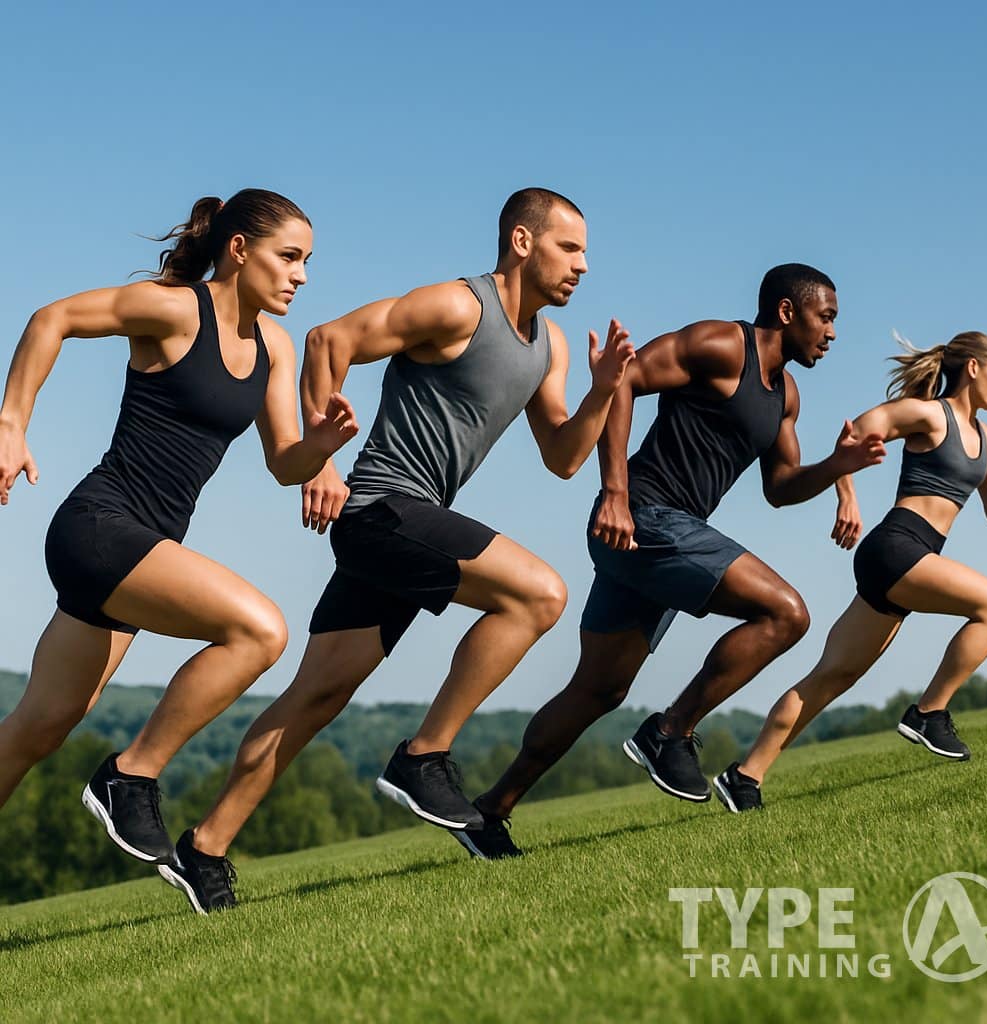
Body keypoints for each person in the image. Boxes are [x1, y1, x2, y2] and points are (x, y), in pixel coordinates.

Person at [158, 187, 635, 913]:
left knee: (314, 697)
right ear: (521, 242)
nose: (583, 265)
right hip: (382, 508)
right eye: (570, 248)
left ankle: (204, 849)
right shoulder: (458, 307)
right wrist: (318, 463)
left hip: (407, 523)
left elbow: (564, 458)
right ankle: (424, 757)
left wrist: (602, 394)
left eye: (585, 253)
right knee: (538, 593)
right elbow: (328, 341)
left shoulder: (550, 345)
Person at [458, 263, 886, 859]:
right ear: (788, 312)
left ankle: (488, 813)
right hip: (644, 517)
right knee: (786, 614)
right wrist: (615, 493)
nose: (833, 332)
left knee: (598, 690)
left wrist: (838, 467)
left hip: (658, 535)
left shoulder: (785, 395)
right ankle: (669, 732)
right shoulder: (719, 343)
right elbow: (626, 379)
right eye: (827, 317)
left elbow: (782, 485)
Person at [0, 189, 357, 866]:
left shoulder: (274, 348)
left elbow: (284, 461)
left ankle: (126, 776)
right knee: (259, 631)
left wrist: (322, 446)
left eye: (307, 261)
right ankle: (130, 777)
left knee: (37, 727)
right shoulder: (173, 309)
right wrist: (12, 422)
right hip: (101, 528)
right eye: (289, 257)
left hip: (138, 551)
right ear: (239, 248)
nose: (301, 275)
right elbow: (53, 318)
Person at [715, 331, 987, 811]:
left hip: (912, 558)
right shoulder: (927, 414)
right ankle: (929, 713)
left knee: (832, 676)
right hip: (896, 548)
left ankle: (744, 777)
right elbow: (854, 436)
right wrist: (848, 497)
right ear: (974, 368)